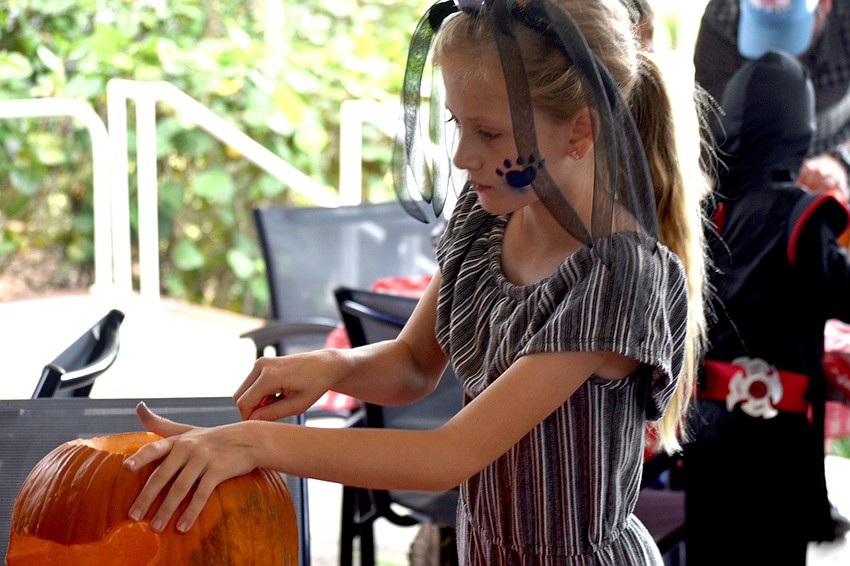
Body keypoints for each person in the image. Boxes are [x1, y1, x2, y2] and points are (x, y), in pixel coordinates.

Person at [123, 0, 711, 563]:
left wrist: (251, 444)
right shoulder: (488, 219)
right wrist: (338, 369)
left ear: (579, 131)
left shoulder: (621, 275)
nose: (461, 156)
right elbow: (412, 363)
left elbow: (449, 455)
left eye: (490, 133)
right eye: (457, 124)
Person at [683, 49, 850, 565]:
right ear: (798, 130)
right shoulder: (801, 216)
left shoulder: (704, 215)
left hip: (705, 436)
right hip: (775, 446)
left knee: (711, 552)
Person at [693, 0, 850, 202]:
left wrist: (839, 163)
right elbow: (717, 136)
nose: (780, 59)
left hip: (834, 152)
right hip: (750, 171)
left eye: (789, 36)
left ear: (824, 5)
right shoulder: (722, 20)